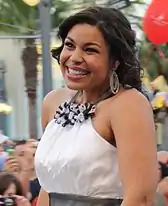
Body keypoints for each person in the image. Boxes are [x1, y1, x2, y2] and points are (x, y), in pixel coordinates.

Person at [35, 6, 158, 206]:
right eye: (69, 45)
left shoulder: (128, 105)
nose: (74, 58)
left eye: (90, 50)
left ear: (115, 61)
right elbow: (48, 187)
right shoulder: (52, 102)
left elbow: (140, 198)